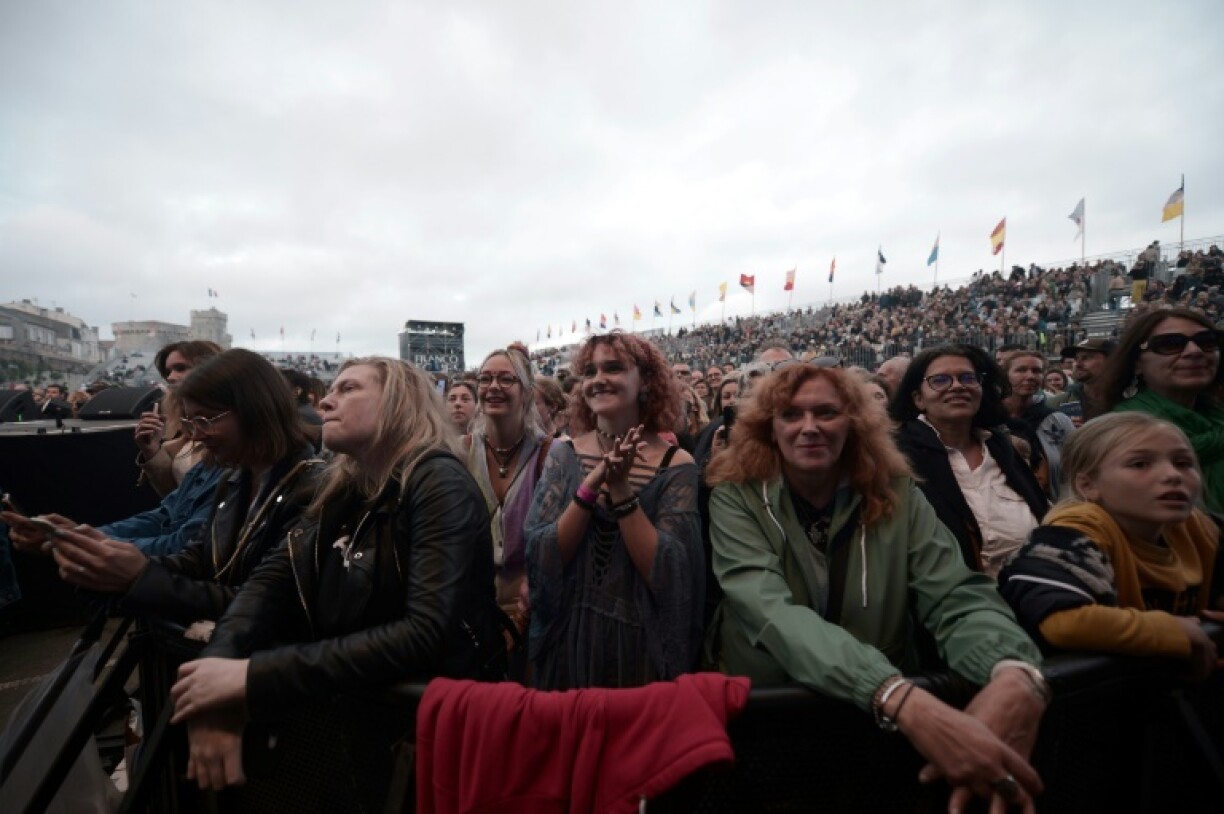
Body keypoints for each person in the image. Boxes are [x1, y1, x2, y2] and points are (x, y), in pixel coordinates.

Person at [707, 364, 1049, 812]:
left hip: (872, 728)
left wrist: (1014, 670)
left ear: (854, 423)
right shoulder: (736, 495)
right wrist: (893, 693)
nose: (809, 427)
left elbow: (954, 594)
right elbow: (771, 612)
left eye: (826, 413)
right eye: (791, 415)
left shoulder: (898, 492)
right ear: (768, 427)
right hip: (771, 719)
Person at [168, 358, 504, 803]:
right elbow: (269, 583)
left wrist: (253, 676)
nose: (326, 400)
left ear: (399, 402)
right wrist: (219, 673)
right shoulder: (345, 485)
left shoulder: (437, 481)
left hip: (433, 735)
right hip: (365, 723)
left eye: (348, 389)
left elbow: (425, 633)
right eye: (331, 388)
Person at [2, 349, 318, 622]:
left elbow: (271, 607)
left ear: (256, 410)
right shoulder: (235, 477)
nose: (196, 435)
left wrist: (141, 575)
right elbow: (198, 553)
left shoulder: (312, 492)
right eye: (192, 422)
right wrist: (82, 540)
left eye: (206, 420)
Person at [526, 332, 703, 689]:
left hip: (640, 649)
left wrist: (621, 490)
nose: (598, 379)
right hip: (568, 641)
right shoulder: (565, 453)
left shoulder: (677, 463)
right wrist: (590, 486)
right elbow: (542, 552)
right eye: (589, 372)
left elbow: (671, 573)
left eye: (614, 368)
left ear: (645, 382)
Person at [999, 413, 1222, 677]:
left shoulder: (1198, 526)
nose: (1172, 475)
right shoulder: (1072, 531)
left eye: (1183, 462)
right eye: (1140, 464)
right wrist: (1173, 631)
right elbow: (1063, 622)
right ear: (1088, 485)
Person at [891, 346, 1048, 577]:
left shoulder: (1003, 450)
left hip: (1034, 592)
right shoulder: (897, 457)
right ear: (918, 399)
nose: (957, 386)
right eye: (940, 380)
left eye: (967, 378)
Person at [1098, 307, 1224, 512]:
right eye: (1170, 344)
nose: (1195, 351)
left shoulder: (1218, 419)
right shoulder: (1116, 433)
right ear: (1137, 363)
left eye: (1207, 341)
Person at [464, 348, 550, 630]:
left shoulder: (550, 454)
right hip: (472, 603)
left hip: (532, 604)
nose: (493, 387)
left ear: (525, 392)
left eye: (505, 379)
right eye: (485, 379)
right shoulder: (459, 452)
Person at [134, 341, 222, 495]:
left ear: (210, 368)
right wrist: (152, 451)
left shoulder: (233, 425)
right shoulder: (178, 431)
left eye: (180, 368)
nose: (171, 377)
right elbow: (175, 498)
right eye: (168, 371)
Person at [1001, 350, 1076, 498]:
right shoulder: (988, 420)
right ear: (1005, 375)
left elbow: (1078, 466)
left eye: (1037, 371)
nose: (1030, 376)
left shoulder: (1058, 420)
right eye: (1021, 370)